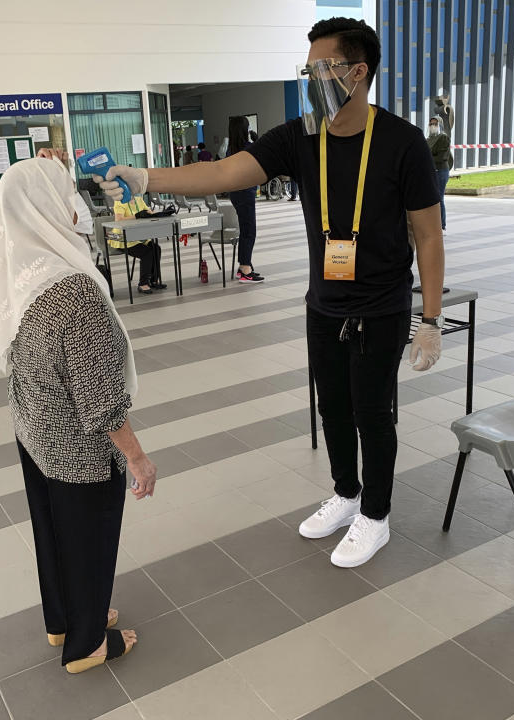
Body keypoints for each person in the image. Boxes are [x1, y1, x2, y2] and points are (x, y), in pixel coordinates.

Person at [93, 17, 444, 569]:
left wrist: (429, 318)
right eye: (306, 70)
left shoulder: (402, 143)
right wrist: (146, 178)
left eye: (320, 68)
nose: (312, 79)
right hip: (324, 304)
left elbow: (427, 233)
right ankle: (347, 495)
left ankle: (375, 515)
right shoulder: (302, 136)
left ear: (358, 72)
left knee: (372, 412)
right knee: (332, 407)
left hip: (382, 307)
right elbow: (227, 174)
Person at [0, 156, 158, 674]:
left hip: (34, 433)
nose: (75, 204)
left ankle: (62, 619)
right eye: (65, 195)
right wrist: (138, 458)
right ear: (46, 208)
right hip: (79, 449)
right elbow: (100, 400)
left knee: (53, 534)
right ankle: (87, 644)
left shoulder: (17, 274)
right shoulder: (72, 291)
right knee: (89, 541)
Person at [227, 116, 265, 283]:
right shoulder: (248, 147)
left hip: (236, 193)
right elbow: (263, 157)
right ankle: (244, 269)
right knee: (249, 230)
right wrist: (257, 140)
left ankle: (245, 264)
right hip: (246, 193)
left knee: (246, 229)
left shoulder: (230, 150)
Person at [427, 116, 452, 231]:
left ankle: (442, 225)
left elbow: (442, 157)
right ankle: (433, 223)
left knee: (439, 197)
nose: (433, 126)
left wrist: (427, 157)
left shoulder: (443, 138)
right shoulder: (429, 138)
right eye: (431, 124)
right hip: (431, 171)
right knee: (432, 198)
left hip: (441, 171)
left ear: (440, 125)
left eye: (435, 124)